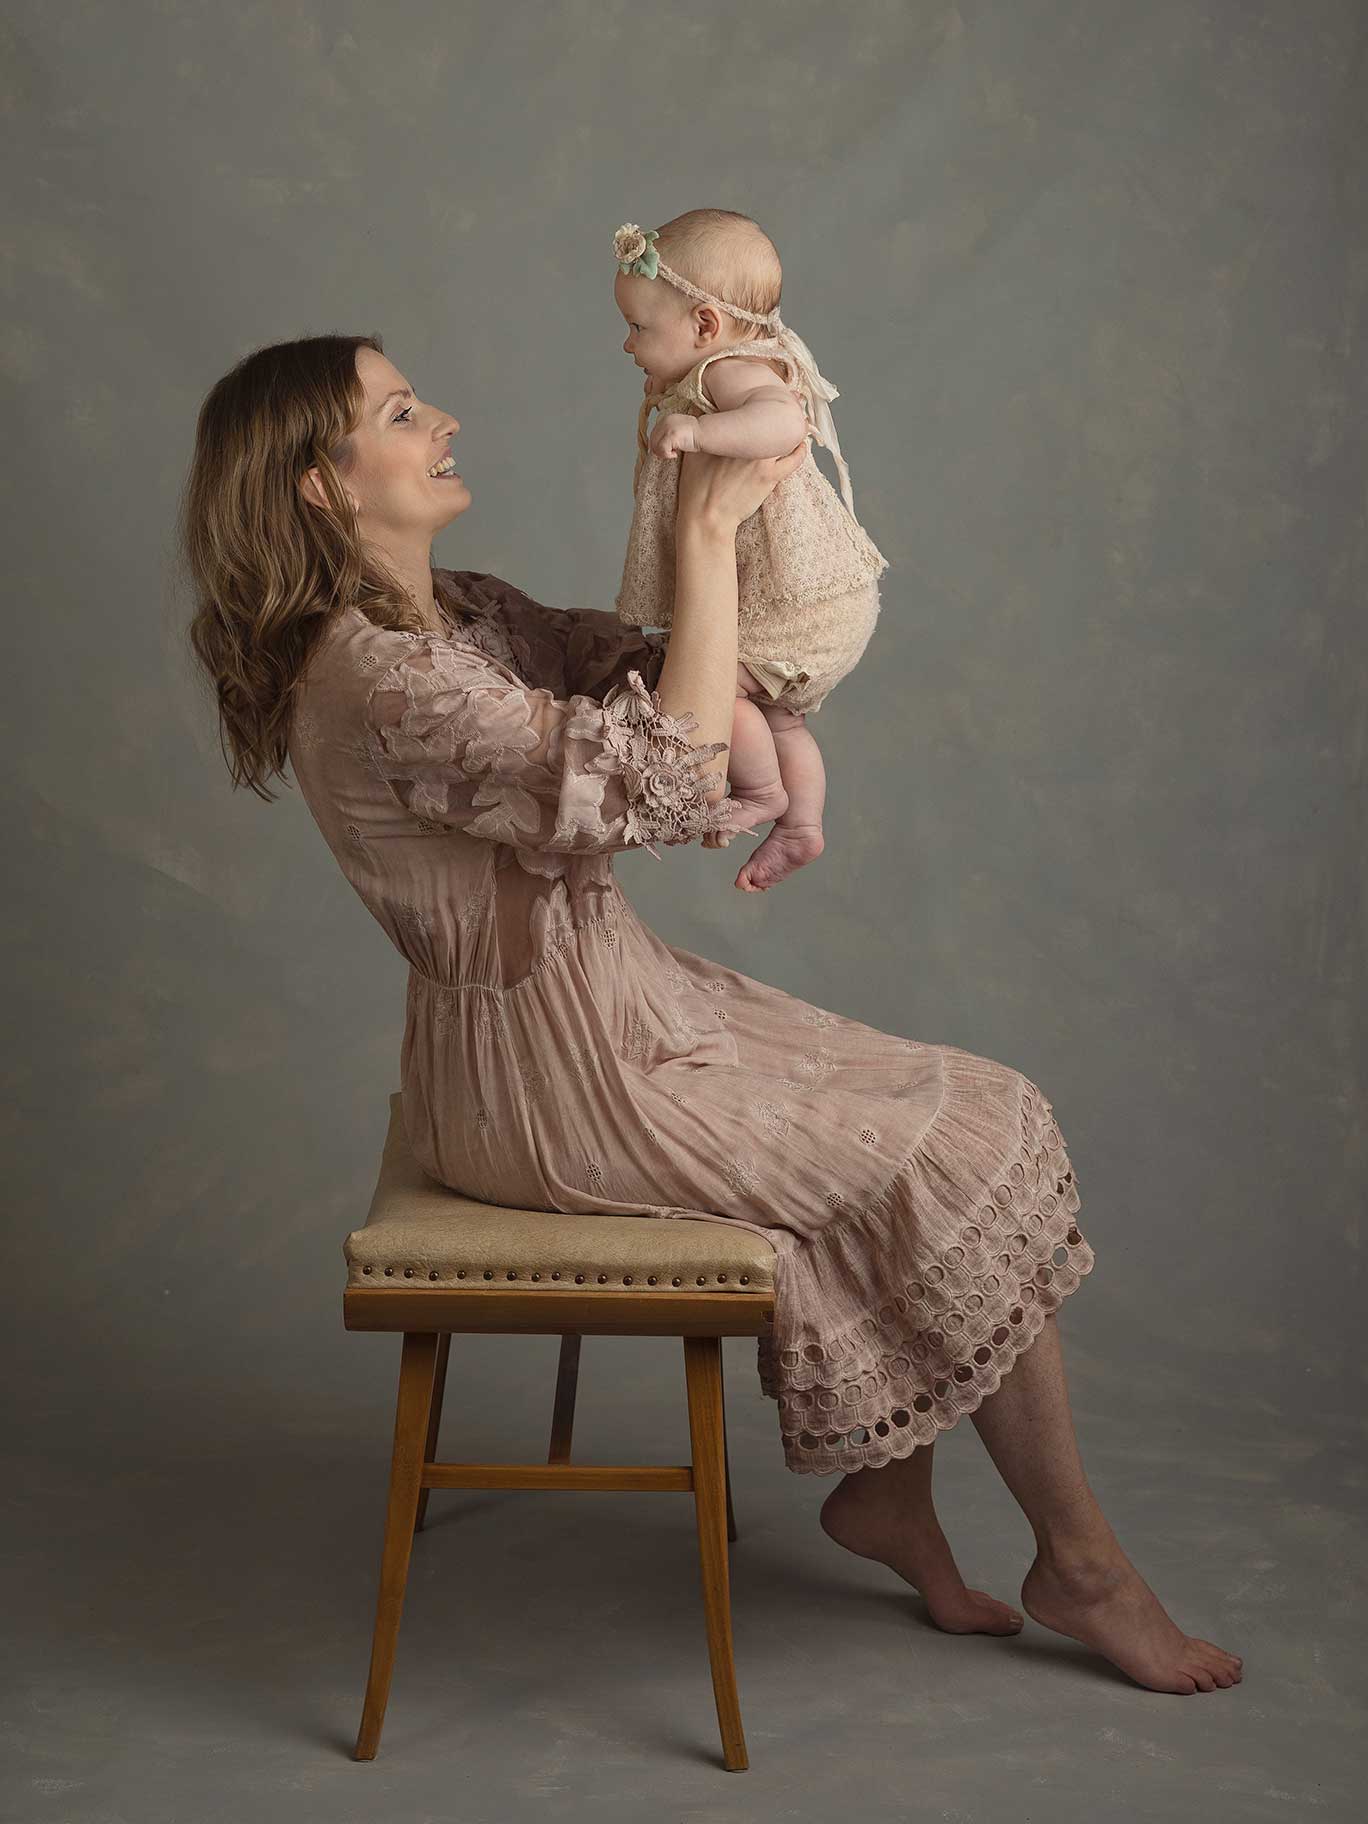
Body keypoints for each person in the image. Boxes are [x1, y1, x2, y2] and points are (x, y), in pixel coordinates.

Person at [181, 332, 1242, 1695]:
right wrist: (697, 527)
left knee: (978, 1106)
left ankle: (894, 1502)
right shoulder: (381, 678)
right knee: (959, 1144)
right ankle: (1081, 1566)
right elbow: (663, 788)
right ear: (326, 489)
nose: (441, 415)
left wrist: (734, 524)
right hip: (547, 1084)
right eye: (398, 410)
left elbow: (636, 661)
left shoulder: (450, 614)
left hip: (619, 1006)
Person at [612, 209, 889, 893]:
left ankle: (764, 795)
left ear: (705, 326)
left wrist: (701, 434)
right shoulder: (715, 368)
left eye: (640, 328)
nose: (627, 345)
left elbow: (783, 419)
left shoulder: (727, 372)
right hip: (814, 602)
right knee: (777, 716)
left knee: (717, 695)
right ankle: (802, 826)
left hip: (801, 601)